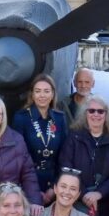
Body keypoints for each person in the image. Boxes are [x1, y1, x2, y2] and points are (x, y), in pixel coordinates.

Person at [59, 95, 109, 216]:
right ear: (85, 113)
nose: (96, 114)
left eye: (100, 111)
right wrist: (83, 194)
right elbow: (66, 166)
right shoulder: (74, 137)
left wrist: (99, 193)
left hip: (105, 204)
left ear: (106, 115)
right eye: (92, 111)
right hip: (76, 202)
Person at [11, 74, 68, 205]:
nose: (42, 95)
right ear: (32, 94)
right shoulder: (21, 118)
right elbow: (17, 156)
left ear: (53, 94)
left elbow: (65, 156)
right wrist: (33, 190)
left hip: (55, 185)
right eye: (38, 91)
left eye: (46, 91)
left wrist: (55, 187)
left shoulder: (59, 118)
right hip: (29, 182)